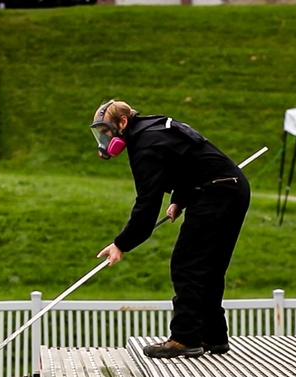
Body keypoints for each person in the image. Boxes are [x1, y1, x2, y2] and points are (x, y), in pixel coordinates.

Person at [90, 99, 251, 359]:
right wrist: (179, 199)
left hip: (216, 192)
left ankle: (185, 339)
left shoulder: (144, 144)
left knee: (186, 264)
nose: (104, 141)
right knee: (209, 267)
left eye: (106, 132)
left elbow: (147, 204)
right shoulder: (154, 128)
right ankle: (214, 336)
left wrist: (121, 244)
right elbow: (188, 161)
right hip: (231, 188)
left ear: (122, 123)